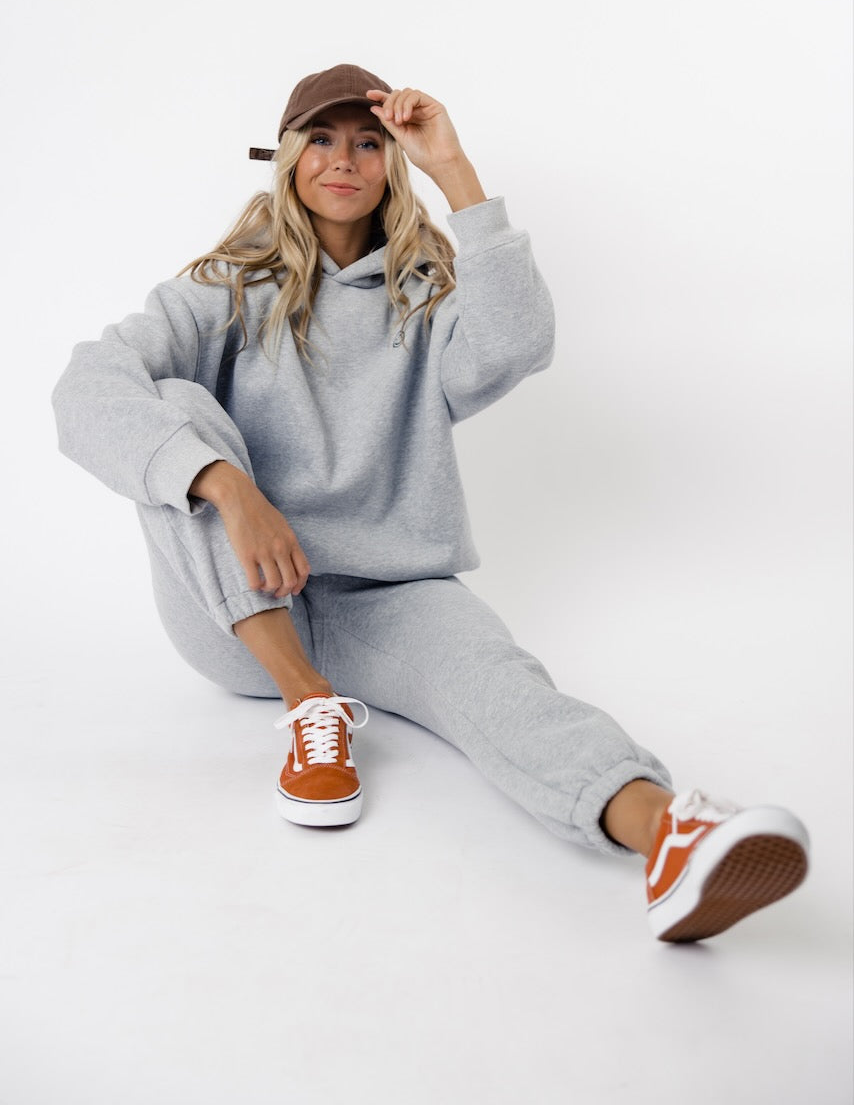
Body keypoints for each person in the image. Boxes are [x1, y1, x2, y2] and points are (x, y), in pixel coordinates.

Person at [52, 63, 808, 943]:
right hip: (239, 612)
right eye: (322, 140)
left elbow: (518, 344)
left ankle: (670, 837)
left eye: (369, 143)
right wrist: (224, 483)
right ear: (289, 157)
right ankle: (309, 707)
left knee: (503, 686)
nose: (345, 160)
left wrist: (454, 169)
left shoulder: (426, 299)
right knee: (174, 410)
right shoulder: (223, 289)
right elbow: (85, 389)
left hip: (394, 595)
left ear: (392, 164)